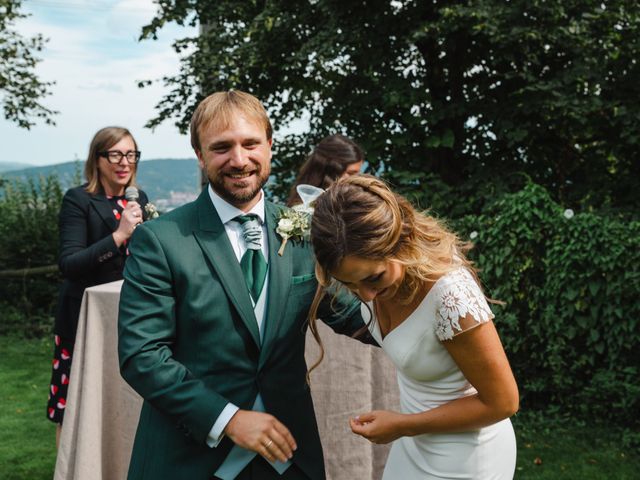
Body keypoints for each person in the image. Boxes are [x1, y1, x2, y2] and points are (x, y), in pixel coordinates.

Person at [117, 90, 371, 480]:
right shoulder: (161, 239)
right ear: (200, 156)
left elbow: (354, 315)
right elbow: (142, 355)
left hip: (288, 457)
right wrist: (228, 419)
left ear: (269, 145)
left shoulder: (306, 231)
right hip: (190, 458)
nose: (239, 160)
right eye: (221, 148)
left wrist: (432, 321)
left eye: (250, 143)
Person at [308, 175, 519, 479]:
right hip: (414, 445)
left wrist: (402, 424)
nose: (365, 296)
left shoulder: (450, 295)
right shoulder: (369, 277)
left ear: (401, 242)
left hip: (467, 457)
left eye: (373, 278)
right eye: (349, 284)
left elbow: (504, 402)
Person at [46, 126, 148, 446]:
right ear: (98, 158)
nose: (124, 162)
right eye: (116, 154)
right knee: (71, 404)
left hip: (128, 317)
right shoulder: (79, 200)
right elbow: (70, 264)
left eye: (131, 154)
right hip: (82, 320)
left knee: (120, 399)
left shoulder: (139, 199)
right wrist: (119, 235)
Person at [286, 134, 364, 207]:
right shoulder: (304, 210)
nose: (356, 178)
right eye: (350, 173)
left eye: (358, 173)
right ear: (331, 172)